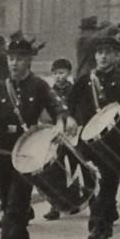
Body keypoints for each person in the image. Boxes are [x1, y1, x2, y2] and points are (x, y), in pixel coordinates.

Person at [0, 38, 71, 239]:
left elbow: (58, 107)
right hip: (3, 153)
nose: (14, 63)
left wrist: (60, 123)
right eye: (11, 58)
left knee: (17, 201)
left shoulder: (38, 85)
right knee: (8, 201)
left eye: (19, 58)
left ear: (29, 61)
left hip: (28, 153)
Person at [68, 36, 120, 239]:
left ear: (117, 56)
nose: (103, 57)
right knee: (91, 179)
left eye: (108, 53)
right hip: (87, 140)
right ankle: (100, 222)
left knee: (108, 182)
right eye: (99, 52)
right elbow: (70, 102)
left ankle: (99, 225)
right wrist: (70, 118)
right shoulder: (85, 79)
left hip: (112, 141)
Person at [43, 58, 74, 222]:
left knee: (76, 165)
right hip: (56, 134)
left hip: (72, 133)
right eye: (55, 73)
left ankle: (88, 199)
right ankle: (55, 205)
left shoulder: (74, 91)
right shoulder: (49, 92)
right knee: (55, 168)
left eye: (61, 73)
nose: (58, 76)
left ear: (69, 73)